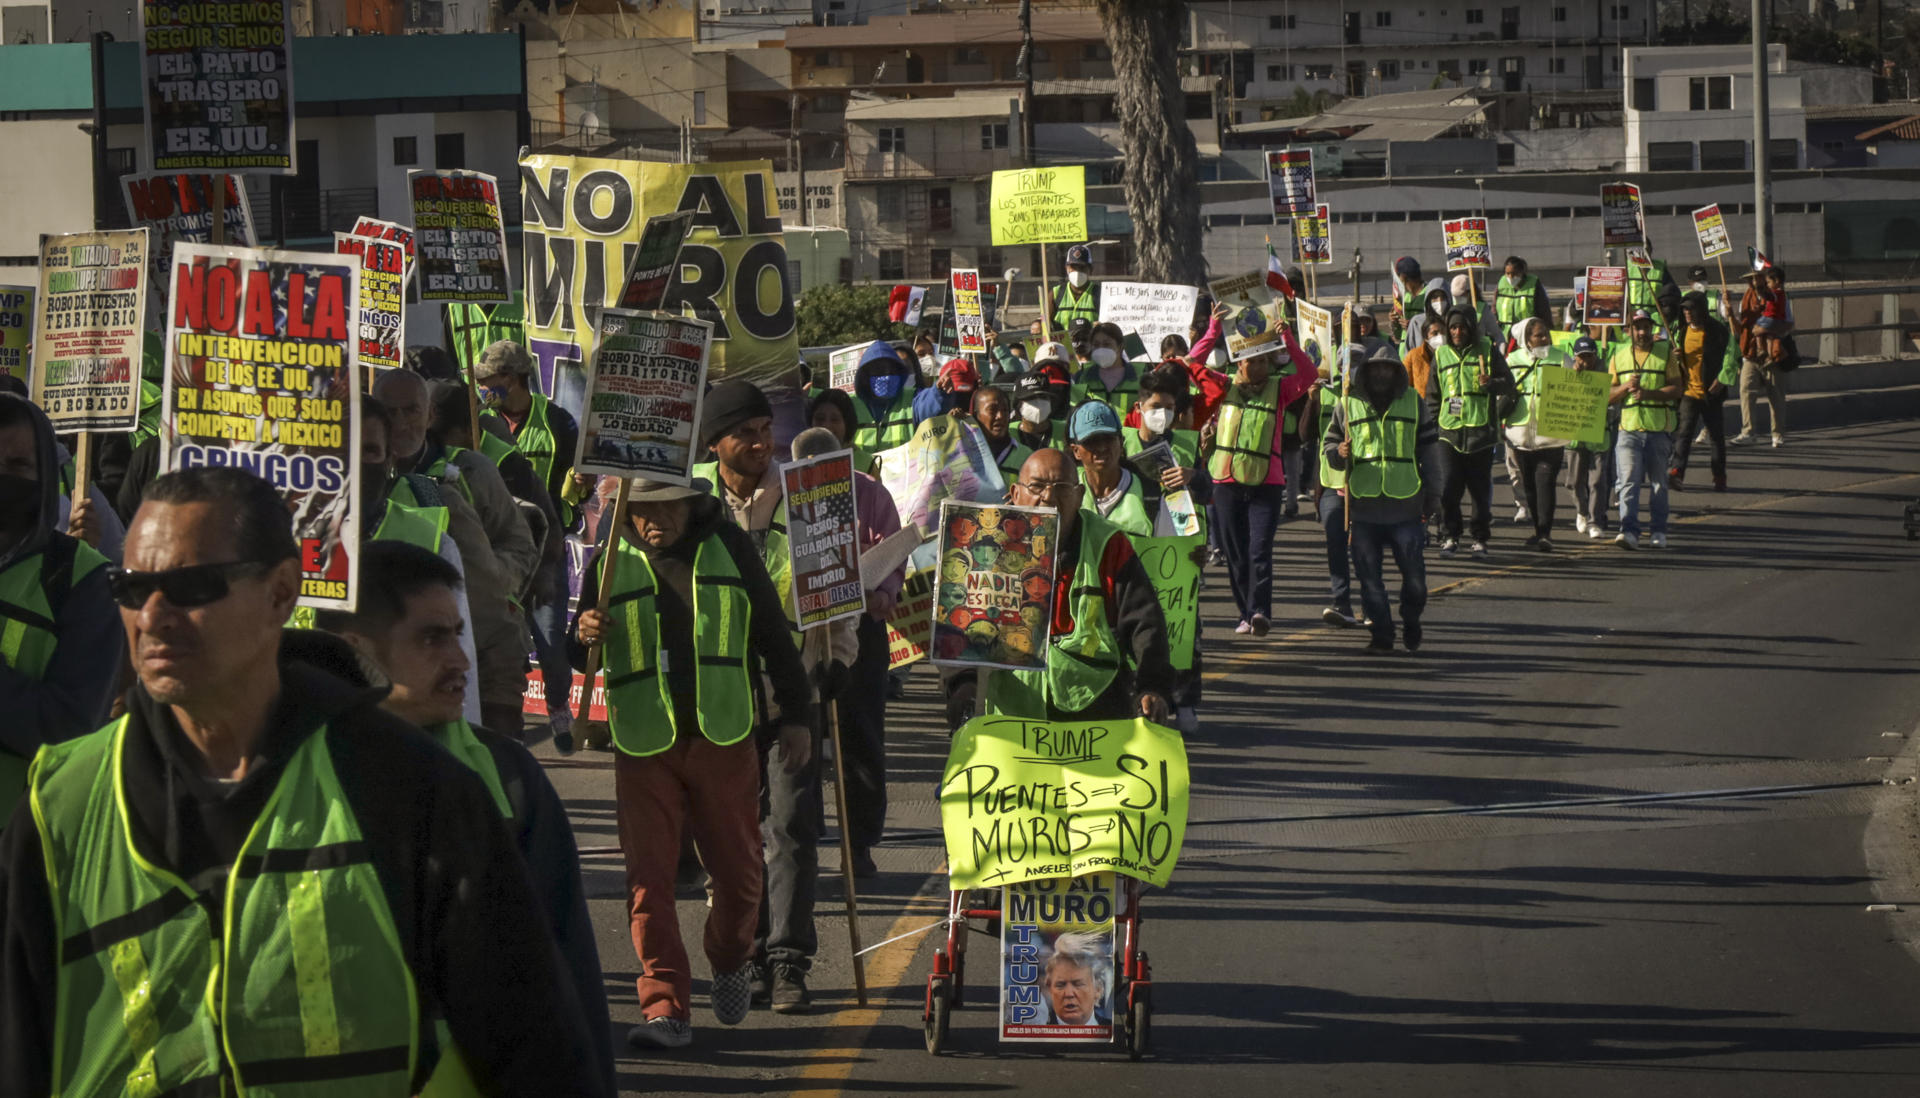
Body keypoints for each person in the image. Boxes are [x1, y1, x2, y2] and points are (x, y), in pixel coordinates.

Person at [0, 466, 610, 1096]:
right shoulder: (60, 802)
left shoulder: (410, 790)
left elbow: (539, 1056)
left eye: (191, 585)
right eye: (129, 586)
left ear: (280, 593)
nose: (153, 614)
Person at [314, 540, 614, 1091]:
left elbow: (567, 973)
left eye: (458, 634)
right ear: (355, 651)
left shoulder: (508, 777)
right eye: (432, 639)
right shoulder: (289, 779)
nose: (462, 661)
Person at [572, 471, 813, 1049]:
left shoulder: (728, 547)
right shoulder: (608, 560)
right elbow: (575, 655)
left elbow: (773, 636)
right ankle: (665, 1005)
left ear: (689, 501)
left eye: (664, 508)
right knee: (647, 881)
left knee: (738, 872)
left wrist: (797, 715)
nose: (650, 522)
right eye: (639, 512)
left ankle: (730, 959)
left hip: (723, 739)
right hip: (642, 743)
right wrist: (583, 634)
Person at [690, 381, 832, 1014]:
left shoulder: (810, 495)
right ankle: (742, 951)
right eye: (742, 431)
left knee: (792, 827)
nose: (758, 442)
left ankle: (786, 960)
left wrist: (838, 665)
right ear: (714, 442)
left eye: (763, 428)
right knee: (730, 835)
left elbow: (839, 587)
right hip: (717, 696)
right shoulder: (688, 498)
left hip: (792, 689)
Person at [373, 367, 538, 735]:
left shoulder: (471, 471)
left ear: (430, 415)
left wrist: (482, 581)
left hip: (489, 654)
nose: (400, 422)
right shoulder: (360, 479)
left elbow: (520, 544)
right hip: (403, 668)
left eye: (411, 410)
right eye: (389, 411)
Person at [983, 448, 1174, 722]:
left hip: (1095, 700)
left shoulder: (1109, 545)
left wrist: (1153, 687)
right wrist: (962, 691)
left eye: (1061, 488)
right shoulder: (984, 545)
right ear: (1015, 494)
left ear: (1080, 495)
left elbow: (1145, 622)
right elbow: (959, 632)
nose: (1048, 497)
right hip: (1010, 706)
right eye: (1037, 487)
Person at [0, 394, 120, 819]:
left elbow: (69, 731)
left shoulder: (80, 579)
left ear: (47, 476)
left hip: (23, 844)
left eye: (17, 467)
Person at [792, 427, 902, 881]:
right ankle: (804, 839)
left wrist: (883, 591)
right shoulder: (788, 495)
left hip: (861, 632)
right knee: (800, 738)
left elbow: (893, 553)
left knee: (859, 739)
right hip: (801, 632)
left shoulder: (872, 493)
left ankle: (859, 844)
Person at [1323, 346, 1442, 654]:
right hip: (1363, 508)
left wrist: (1435, 494)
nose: (1380, 374)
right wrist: (1339, 454)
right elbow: (1329, 445)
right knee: (1370, 581)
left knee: (1416, 581)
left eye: (1387, 369)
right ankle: (1383, 635)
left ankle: (1411, 619)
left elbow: (1430, 451)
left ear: (1396, 374)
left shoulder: (1414, 403)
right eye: (1375, 369)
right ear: (1365, 372)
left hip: (1406, 507)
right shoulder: (1347, 405)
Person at [1203, 331, 1318, 635]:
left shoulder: (1280, 389)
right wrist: (1215, 328)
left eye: (1264, 361)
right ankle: (1245, 612)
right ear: (1238, 363)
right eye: (1252, 361)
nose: (1259, 367)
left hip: (1267, 483)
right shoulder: (1223, 385)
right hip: (1226, 481)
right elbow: (1192, 364)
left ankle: (1260, 612)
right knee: (1236, 553)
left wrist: (1287, 338)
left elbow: (1309, 373)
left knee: (1259, 551)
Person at [1424, 304, 1515, 558]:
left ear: (1471, 328)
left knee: (1479, 490)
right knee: (1448, 488)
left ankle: (1480, 538)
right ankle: (1450, 536)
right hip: (1448, 433)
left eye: (1462, 327)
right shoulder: (1441, 355)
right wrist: (1431, 430)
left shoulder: (1487, 350)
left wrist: (1492, 385)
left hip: (1480, 434)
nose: (1457, 332)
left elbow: (1509, 386)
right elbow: (1433, 396)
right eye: (1452, 327)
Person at [1609, 308, 1682, 550]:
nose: (1642, 332)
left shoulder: (1665, 353)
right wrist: (1624, 388)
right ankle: (1628, 530)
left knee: (1659, 483)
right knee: (1628, 481)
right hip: (1628, 428)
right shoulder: (1618, 356)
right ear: (1628, 330)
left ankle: (1658, 530)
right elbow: (1608, 395)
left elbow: (1677, 388)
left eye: (1646, 327)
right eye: (1637, 327)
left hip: (1657, 428)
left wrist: (1648, 393)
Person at [1502, 317, 1574, 550]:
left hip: (1551, 435)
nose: (1544, 338)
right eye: (1538, 335)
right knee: (1529, 486)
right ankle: (1538, 530)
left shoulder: (1561, 358)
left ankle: (1545, 533)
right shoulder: (1511, 361)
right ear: (1526, 339)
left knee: (1545, 482)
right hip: (1520, 436)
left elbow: (1575, 389)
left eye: (1546, 334)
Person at [1670, 290, 1734, 492]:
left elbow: (1732, 355)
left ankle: (1719, 475)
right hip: (1690, 391)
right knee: (1684, 434)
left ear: (1702, 309)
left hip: (1711, 392)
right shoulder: (1680, 331)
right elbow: (1675, 361)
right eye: (1684, 309)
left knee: (1716, 436)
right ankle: (1677, 473)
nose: (1687, 312)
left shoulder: (1718, 330)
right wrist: (1675, 356)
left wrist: (1722, 380)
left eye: (1691, 308)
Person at [1734, 263, 1793, 447]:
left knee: (1775, 395)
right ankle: (1748, 432)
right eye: (1750, 279)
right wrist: (1729, 315)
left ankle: (1777, 434)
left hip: (1772, 353)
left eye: (1757, 278)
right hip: (1750, 354)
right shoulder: (1746, 298)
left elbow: (1788, 324)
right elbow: (1740, 329)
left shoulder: (1779, 296)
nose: (1754, 282)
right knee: (1746, 391)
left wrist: (1765, 330)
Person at [1565, 337, 1615, 541]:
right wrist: (1573, 378)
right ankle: (1582, 511)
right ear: (1575, 357)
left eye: (1589, 356)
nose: (1586, 361)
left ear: (1596, 355)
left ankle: (1596, 520)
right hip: (1575, 436)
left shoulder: (1607, 372)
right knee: (1574, 481)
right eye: (1581, 357)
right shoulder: (1567, 372)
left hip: (1599, 434)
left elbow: (1614, 401)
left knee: (1598, 481)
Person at [849, 340, 918, 470]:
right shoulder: (849, 404)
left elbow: (932, 403)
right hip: (864, 484)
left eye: (891, 372)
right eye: (879, 371)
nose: (886, 377)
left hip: (903, 483)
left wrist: (941, 394)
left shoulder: (913, 398)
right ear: (865, 375)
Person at [1070, 322, 1141, 415]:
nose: (1101, 349)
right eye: (1096, 345)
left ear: (1120, 346)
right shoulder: (1081, 377)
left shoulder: (1140, 376)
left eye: (1107, 344)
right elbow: (1076, 413)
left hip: (1129, 429)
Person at [1041, 933, 1112, 1026]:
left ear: (1097, 989)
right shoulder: (1036, 1031)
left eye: (1078, 984)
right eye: (1060, 985)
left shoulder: (1111, 1029)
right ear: (1050, 990)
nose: (1069, 993)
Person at [972, 384, 1033, 484]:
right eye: (992, 410)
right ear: (976, 416)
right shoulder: (964, 454)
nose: (1000, 416)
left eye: (1005, 410)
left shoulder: (1027, 456)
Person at [1011, 370, 1064, 453]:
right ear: (1018, 404)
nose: (1038, 403)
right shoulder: (1009, 433)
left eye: (1043, 397)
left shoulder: (1066, 430)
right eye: (1031, 398)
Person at [1052, 243, 1101, 332]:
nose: (1078, 272)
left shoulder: (1100, 294)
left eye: (1082, 267)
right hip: (1062, 345)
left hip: (1089, 344)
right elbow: (1046, 324)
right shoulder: (1055, 293)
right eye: (1073, 267)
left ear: (1090, 269)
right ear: (1067, 268)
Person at [1495, 256, 1552, 328]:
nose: (1510, 277)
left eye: (1514, 273)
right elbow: (1494, 308)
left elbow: (1544, 312)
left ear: (1522, 272)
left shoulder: (1534, 286)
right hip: (1505, 334)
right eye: (1508, 273)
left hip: (1527, 332)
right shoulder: (1501, 285)